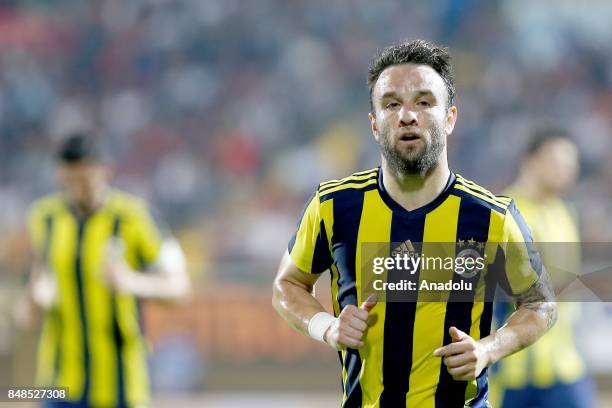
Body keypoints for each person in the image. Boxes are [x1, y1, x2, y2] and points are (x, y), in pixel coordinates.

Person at [272, 39, 557, 407]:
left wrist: (488, 350)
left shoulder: (493, 217)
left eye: (424, 102)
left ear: (450, 118)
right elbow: (287, 285)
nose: (408, 115)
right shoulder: (333, 205)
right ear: (374, 125)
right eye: (392, 104)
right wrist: (327, 327)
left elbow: (540, 303)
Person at [17, 133, 190, 407]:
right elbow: (37, 284)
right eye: (68, 180)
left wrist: (132, 282)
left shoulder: (136, 217)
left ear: (105, 171)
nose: (76, 190)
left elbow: (180, 288)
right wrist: (32, 301)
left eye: (84, 181)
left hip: (121, 384)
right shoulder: (43, 217)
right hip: (59, 383)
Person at [490, 129, 597, 408]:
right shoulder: (501, 213)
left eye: (571, 165)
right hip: (515, 370)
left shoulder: (564, 212)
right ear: (531, 162)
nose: (568, 171)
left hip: (563, 364)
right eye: (558, 162)